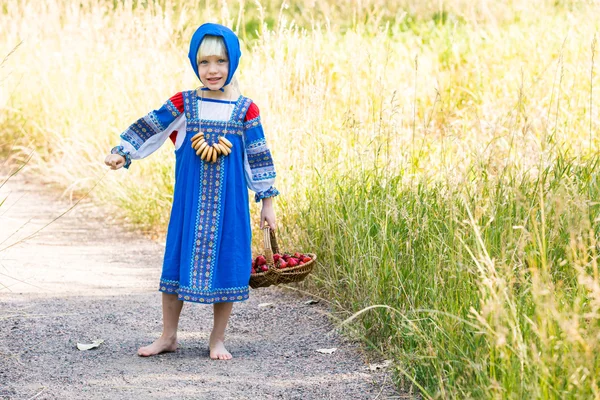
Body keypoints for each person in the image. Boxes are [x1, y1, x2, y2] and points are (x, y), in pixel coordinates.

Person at [104, 23, 279, 360]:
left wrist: (267, 201)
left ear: (234, 62)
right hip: (189, 204)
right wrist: (123, 151)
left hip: (231, 206)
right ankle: (168, 336)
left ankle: (217, 339)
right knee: (175, 265)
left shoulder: (246, 110)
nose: (212, 70)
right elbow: (151, 126)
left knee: (229, 263)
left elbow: (258, 156)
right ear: (194, 64)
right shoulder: (184, 103)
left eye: (220, 61)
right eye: (204, 63)